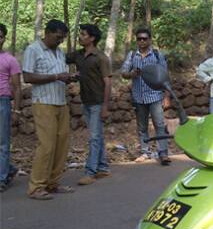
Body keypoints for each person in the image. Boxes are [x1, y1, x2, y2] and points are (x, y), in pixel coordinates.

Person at [23, 19, 78, 200]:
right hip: (43, 102)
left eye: (62, 38)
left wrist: (68, 78)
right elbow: (28, 76)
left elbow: (59, 76)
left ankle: (53, 183)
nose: (60, 41)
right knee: (46, 146)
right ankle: (36, 187)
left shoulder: (59, 52)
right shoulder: (33, 49)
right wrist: (56, 76)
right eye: (57, 37)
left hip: (60, 102)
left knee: (62, 144)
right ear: (47, 33)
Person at [66, 24, 112, 185]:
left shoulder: (101, 57)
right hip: (86, 101)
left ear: (92, 38)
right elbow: (61, 57)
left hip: (98, 103)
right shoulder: (78, 55)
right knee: (97, 135)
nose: (80, 36)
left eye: (83, 34)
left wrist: (105, 107)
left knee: (94, 137)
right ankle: (103, 168)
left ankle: (90, 172)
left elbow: (108, 83)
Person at [121, 28, 172, 166]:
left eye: (144, 38)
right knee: (142, 127)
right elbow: (123, 73)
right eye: (139, 39)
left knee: (159, 125)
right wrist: (132, 74)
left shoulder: (156, 55)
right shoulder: (132, 55)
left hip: (155, 96)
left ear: (150, 40)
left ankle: (163, 153)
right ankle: (145, 152)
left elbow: (165, 76)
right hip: (139, 97)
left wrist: (166, 96)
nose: (142, 41)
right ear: (136, 40)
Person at [0, 23, 22, 193]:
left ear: (4, 38)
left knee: (3, 142)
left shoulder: (10, 60)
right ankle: (10, 169)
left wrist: (16, 110)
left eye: (0, 35)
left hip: (3, 102)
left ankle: (2, 179)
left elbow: (17, 87)